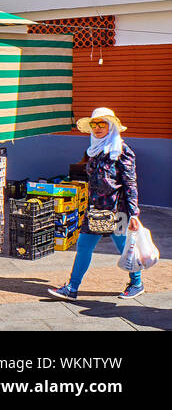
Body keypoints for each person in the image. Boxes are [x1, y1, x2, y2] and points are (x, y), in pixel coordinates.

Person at [48, 108, 145, 300]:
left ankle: (137, 283)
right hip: (96, 209)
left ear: (111, 126)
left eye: (102, 124)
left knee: (125, 247)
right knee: (83, 246)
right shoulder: (93, 150)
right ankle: (72, 288)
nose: (98, 128)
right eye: (94, 124)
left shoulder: (123, 151)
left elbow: (130, 183)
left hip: (118, 210)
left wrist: (133, 214)